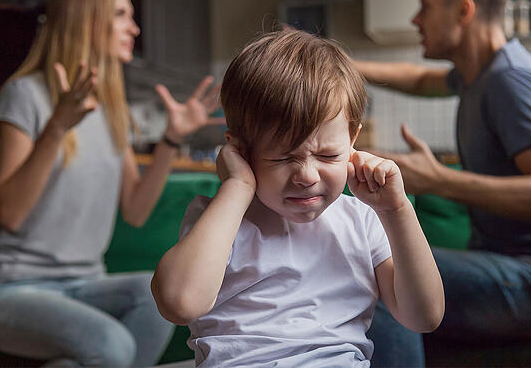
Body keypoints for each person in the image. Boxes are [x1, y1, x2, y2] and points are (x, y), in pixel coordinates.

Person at [150, 30, 445, 367]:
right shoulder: (218, 220)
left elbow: (425, 316)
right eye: (282, 157)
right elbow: (178, 303)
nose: (307, 175)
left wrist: (397, 210)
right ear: (240, 150)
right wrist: (237, 187)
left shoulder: (363, 220)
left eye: (328, 156)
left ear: (353, 139)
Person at [0, 0, 225, 367]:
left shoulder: (112, 110)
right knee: (112, 345)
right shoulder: (25, 94)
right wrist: (57, 126)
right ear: (88, 21)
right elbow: (9, 213)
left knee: (153, 295)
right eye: (122, 15)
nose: (134, 27)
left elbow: (136, 210)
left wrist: (170, 140)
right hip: (14, 291)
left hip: (87, 284)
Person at [358, 0, 531, 366]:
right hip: (518, 271)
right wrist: (336, 63)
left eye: (425, 6)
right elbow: (417, 78)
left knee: (379, 277)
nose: (415, 19)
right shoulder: (476, 75)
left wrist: (437, 179)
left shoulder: (510, 80)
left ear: (464, 11)